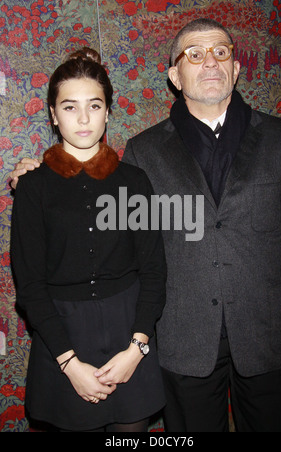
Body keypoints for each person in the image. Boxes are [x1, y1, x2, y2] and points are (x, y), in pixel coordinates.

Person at [11, 19, 281, 432]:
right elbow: (88, 205)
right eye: (193, 55)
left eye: (221, 52)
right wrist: (38, 171)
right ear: (173, 75)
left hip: (270, 337)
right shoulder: (143, 152)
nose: (210, 62)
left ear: (237, 68)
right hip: (185, 341)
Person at [10, 48, 167, 433]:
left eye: (94, 106)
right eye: (69, 107)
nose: (83, 118)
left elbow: (154, 270)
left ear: (108, 112)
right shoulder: (33, 187)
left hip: (130, 335)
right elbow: (30, 285)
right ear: (52, 114)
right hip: (61, 337)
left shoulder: (135, 182)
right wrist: (70, 363)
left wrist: (137, 350)